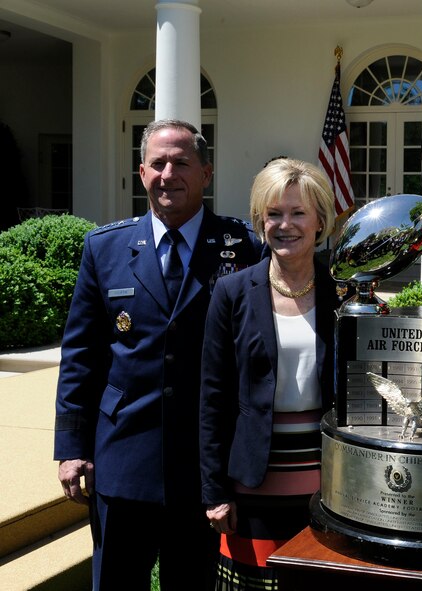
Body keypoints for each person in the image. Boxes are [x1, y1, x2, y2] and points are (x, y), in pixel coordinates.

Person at [54, 119, 262, 590]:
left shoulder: (241, 247)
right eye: (159, 163)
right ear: (142, 171)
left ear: (206, 174)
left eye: (182, 163)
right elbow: (81, 356)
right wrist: (71, 449)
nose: (170, 174)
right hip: (123, 456)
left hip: (205, 465)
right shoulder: (104, 249)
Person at [199, 158, 341, 589]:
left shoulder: (344, 290)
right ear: (260, 221)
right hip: (254, 484)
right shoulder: (232, 292)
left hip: (330, 484)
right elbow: (212, 397)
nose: (285, 225)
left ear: (319, 221)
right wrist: (215, 492)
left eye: (298, 213)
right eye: (274, 213)